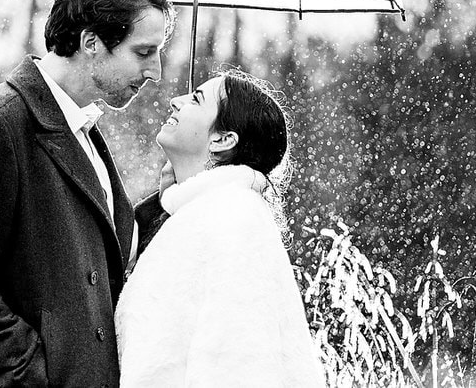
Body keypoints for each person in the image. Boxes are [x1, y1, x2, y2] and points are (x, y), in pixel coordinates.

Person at [0, 0, 170, 388]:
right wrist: (28, 370)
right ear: (91, 42)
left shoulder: (82, 128)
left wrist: (173, 198)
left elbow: (96, 254)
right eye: (143, 52)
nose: (155, 71)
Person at [116, 70, 325, 388]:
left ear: (223, 139)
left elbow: (238, 367)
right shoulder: (198, 214)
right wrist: (162, 204)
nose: (175, 101)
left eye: (196, 99)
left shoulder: (233, 219)